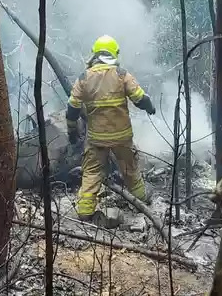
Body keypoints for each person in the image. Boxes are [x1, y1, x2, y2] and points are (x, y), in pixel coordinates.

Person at [66, 35, 156, 221]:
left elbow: (72, 108)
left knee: (91, 172)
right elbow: (140, 98)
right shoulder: (121, 74)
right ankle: (141, 199)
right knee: (130, 169)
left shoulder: (84, 77)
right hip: (122, 137)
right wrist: (150, 107)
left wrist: (72, 132)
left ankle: (84, 210)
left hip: (96, 138)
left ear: (95, 54)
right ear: (114, 53)